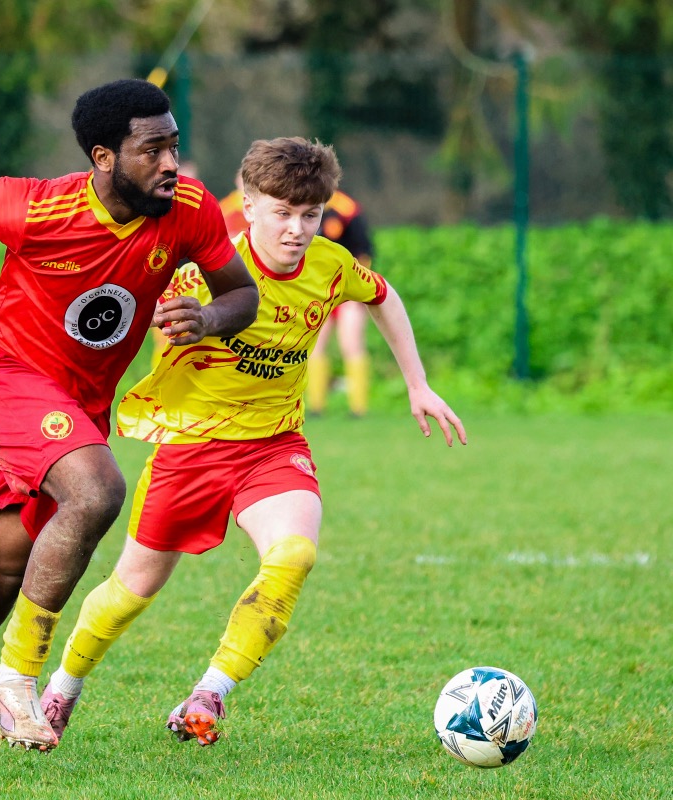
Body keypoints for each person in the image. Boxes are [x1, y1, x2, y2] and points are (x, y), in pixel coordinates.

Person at [0, 78, 259, 760]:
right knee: (97, 491)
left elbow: (241, 294)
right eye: (152, 150)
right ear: (103, 157)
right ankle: (15, 681)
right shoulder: (38, 207)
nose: (171, 163)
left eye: (174, 146)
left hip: (78, 406)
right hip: (4, 378)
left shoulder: (188, 208)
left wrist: (209, 318)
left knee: (6, 565)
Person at [37, 137, 466, 746]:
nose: (297, 229)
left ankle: (209, 692)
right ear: (249, 204)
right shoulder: (204, 270)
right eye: (282, 212)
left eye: (310, 214)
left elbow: (383, 296)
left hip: (273, 445)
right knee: (131, 591)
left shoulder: (331, 265)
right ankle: (63, 687)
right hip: (189, 449)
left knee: (294, 555)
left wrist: (417, 384)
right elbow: (116, 305)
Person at [307, 191, 375, 417]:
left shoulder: (347, 209)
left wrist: (357, 289)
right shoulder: (303, 206)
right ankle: (316, 406)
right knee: (314, 346)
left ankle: (358, 408)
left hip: (347, 292)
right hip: (318, 291)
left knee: (351, 345)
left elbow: (365, 251)